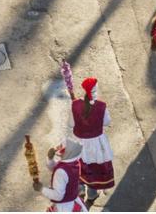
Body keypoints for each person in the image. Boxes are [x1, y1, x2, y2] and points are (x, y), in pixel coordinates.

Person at [70, 77, 114, 209]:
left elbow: (70, 124)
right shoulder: (101, 106)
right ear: (96, 90)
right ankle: (92, 193)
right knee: (94, 168)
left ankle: (80, 188)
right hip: (96, 144)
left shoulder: (75, 105)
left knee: (80, 166)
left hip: (79, 143)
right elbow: (107, 122)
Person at [32, 138, 88, 212]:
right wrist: (50, 159)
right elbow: (55, 167)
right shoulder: (74, 163)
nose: (58, 149)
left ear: (68, 153)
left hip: (63, 208)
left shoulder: (61, 171)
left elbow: (58, 196)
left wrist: (42, 189)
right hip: (72, 200)